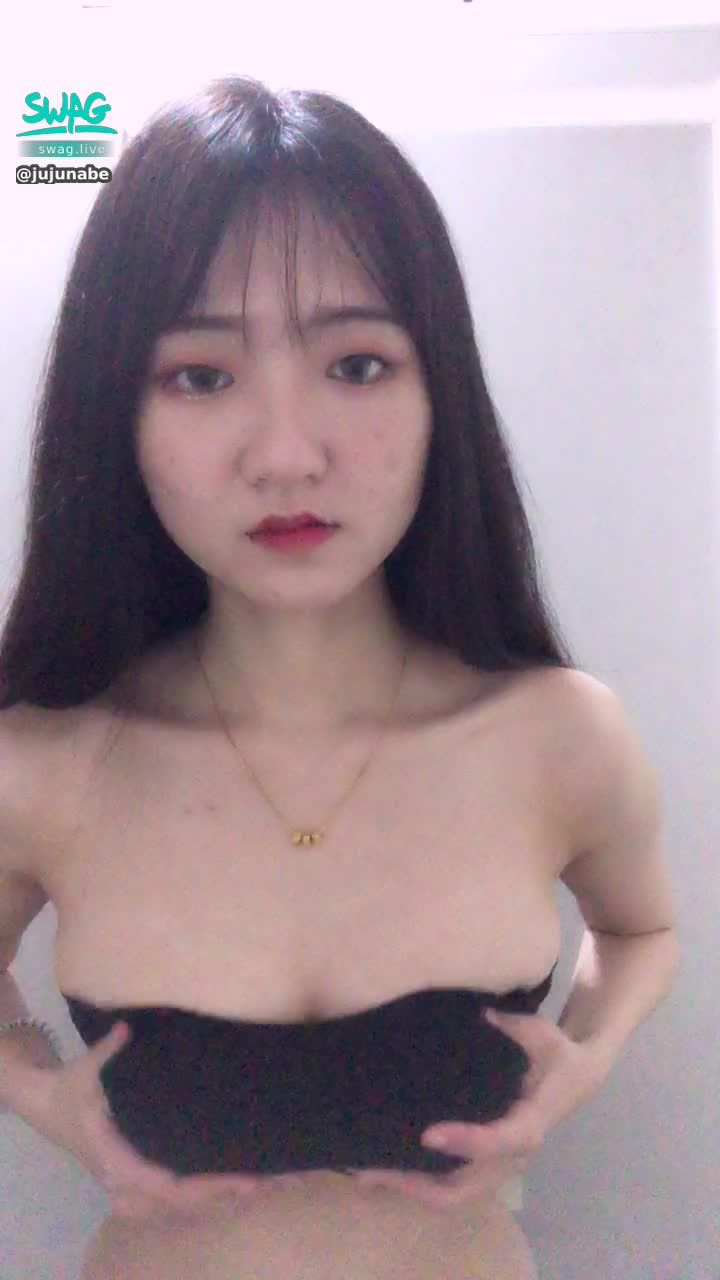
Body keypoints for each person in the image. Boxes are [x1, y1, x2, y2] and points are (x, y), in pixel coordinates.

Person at [0, 73, 587, 1279]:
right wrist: (38, 1091)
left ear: (439, 395)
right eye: (200, 375)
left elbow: (646, 926)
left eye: (357, 365)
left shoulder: (558, 733)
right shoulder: (44, 760)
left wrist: (582, 1059)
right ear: (117, 419)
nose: (285, 453)